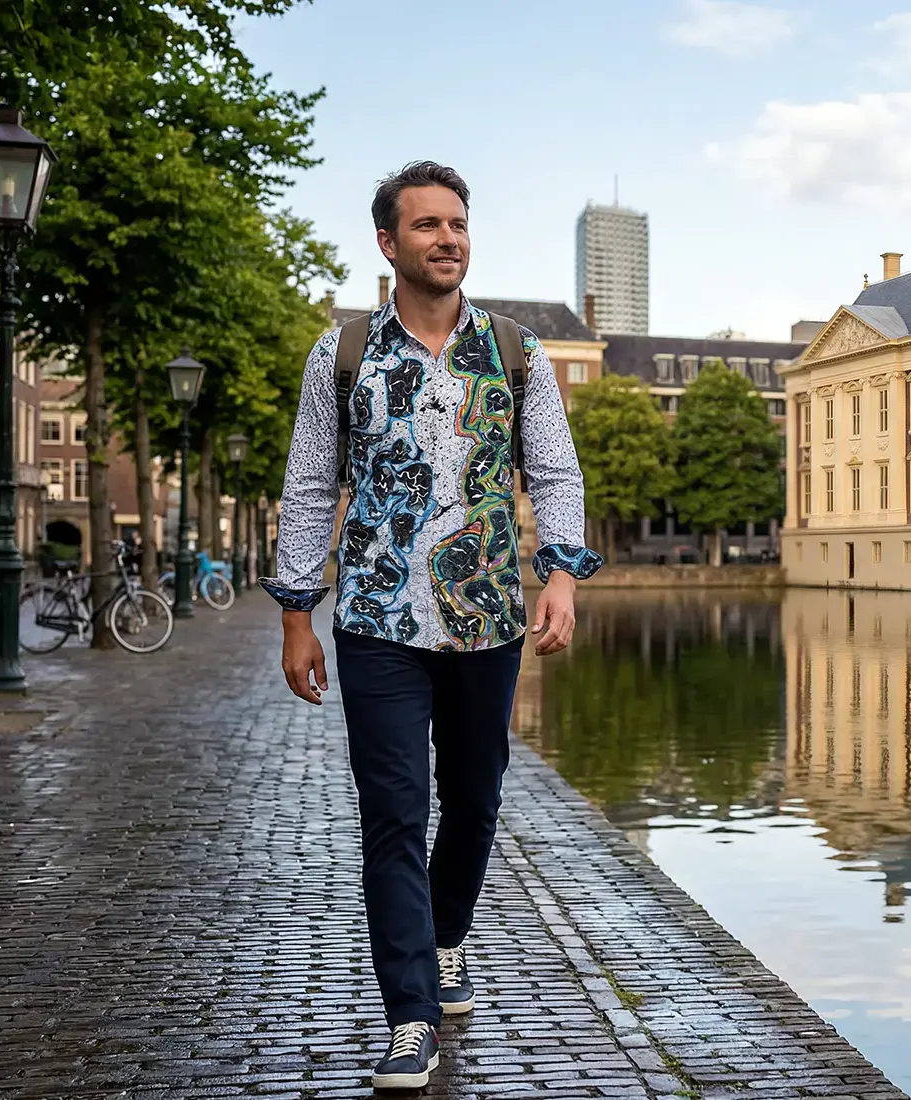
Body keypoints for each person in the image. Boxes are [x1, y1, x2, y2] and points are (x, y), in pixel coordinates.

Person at [259, 161, 600, 1091]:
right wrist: (299, 613)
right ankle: (410, 1016)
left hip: (488, 619)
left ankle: (448, 937)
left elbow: (556, 477)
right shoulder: (343, 356)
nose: (446, 239)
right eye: (426, 227)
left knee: (477, 801)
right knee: (394, 812)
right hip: (374, 618)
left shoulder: (517, 353)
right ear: (387, 243)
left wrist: (561, 577)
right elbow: (307, 485)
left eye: (457, 224)